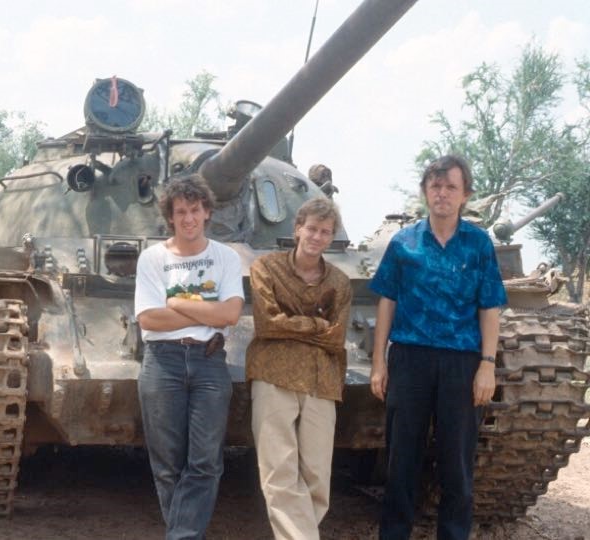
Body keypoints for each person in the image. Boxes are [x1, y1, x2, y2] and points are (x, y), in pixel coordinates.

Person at [369, 155, 507, 540]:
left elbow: (490, 305)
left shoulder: (478, 244)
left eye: (450, 187)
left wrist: (487, 364)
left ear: (465, 194)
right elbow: (387, 301)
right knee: (401, 464)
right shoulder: (404, 243)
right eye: (435, 186)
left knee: (457, 467)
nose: (442, 194)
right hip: (410, 359)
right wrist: (379, 362)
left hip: (461, 363)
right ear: (425, 191)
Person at [134, 173, 244, 540]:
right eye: (180, 211)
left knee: (205, 462)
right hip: (161, 361)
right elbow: (149, 318)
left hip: (209, 361)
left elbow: (230, 315)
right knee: (167, 463)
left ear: (207, 212)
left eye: (194, 210)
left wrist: (177, 302)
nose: (188, 219)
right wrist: (205, 309)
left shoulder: (226, 257)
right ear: (171, 217)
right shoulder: (152, 258)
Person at [246, 197, 352, 540]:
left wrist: (294, 324)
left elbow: (337, 338)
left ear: (331, 236)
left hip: (322, 379)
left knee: (318, 476)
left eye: (325, 232)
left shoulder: (340, 281)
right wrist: (317, 326)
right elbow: (268, 325)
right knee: (278, 470)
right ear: (297, 229)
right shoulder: (265, 267)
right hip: (274, 373)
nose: (317, 237)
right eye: (312, 229)